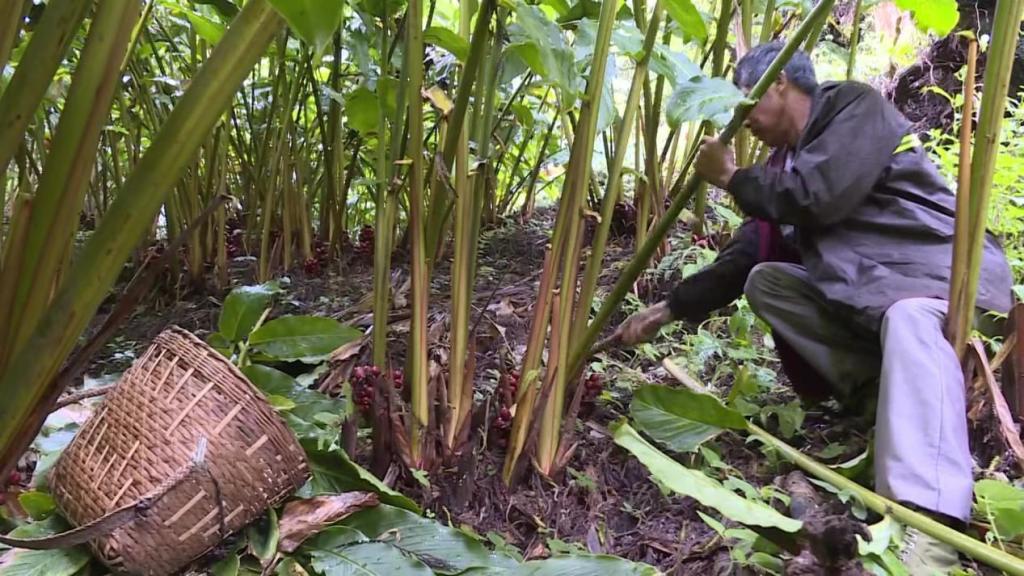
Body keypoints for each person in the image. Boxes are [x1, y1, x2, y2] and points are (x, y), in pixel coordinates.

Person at [614, 42, 1015, 573]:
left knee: (910, 317)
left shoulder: (853, 108)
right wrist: (668, 309)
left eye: (745, 101)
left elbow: (818, 196)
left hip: (943, 280)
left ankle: (930, 523)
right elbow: (745, 256)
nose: (743, 119)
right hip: (878, 294)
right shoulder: (783, 165)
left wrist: (733, 179)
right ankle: (879, 396)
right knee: (768, 282)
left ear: (780, 82)